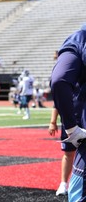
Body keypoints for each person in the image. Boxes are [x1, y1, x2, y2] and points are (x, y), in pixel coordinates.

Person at [50, 24, 86, 201]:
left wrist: (71, 127)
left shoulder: (80, 39)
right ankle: (62, 182)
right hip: (74, 115)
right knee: (68, 153)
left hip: (78, 120)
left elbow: (59, 81)